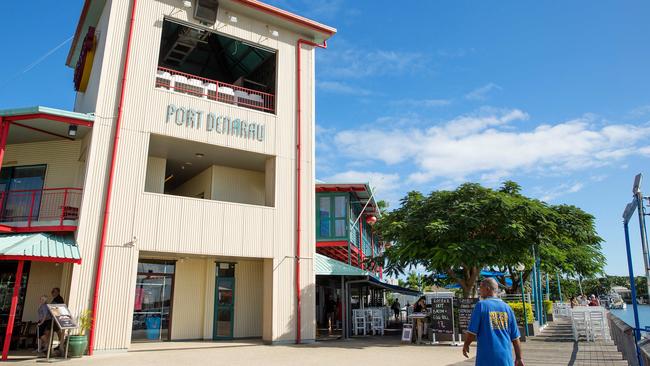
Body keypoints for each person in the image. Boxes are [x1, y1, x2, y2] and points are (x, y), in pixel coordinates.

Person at [463, 278, 523, 366]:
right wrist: (519, 358)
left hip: (487, 358)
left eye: (480, 287)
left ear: (487, 289)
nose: (479, 290)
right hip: (506, 358)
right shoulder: (507, 308)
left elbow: (472, 332)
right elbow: (515, 337)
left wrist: (466, 344)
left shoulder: (481, 306)